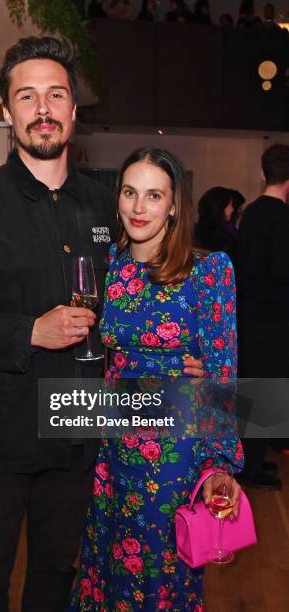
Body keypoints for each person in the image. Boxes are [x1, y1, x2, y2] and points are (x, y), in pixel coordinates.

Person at [0, 38, 205, 612]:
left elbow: (152, 293)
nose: (43, 108)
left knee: (58, 580)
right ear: (5, 110)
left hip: (82, 442)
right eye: (27, 96)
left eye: (56, 94)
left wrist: (178, 360)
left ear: (74, 111)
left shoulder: (109, 204)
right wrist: (29, 331)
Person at [68, 148, 243, 610]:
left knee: (162, 572)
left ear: (174, 206)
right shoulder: (110, 266)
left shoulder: (209, 271)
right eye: (129, 192)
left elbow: (222, 374)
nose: (139, 207)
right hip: (113, 446)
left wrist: (217, 464)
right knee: (107, 566)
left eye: (153, 195)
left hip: (173, 456)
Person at [236, 143, 289, 490]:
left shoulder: (249, 213)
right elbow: (282, 273)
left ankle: (251, 461)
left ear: (262, 174)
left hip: (248, 316)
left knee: (252, 392)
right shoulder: (284, 218)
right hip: (273, 318)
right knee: (267, 391)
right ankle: (252, 468)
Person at [194, 186, 238, 265]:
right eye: (230, 205)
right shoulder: (224, 240)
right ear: (221, 207)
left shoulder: (192, 233)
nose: (232, 209)